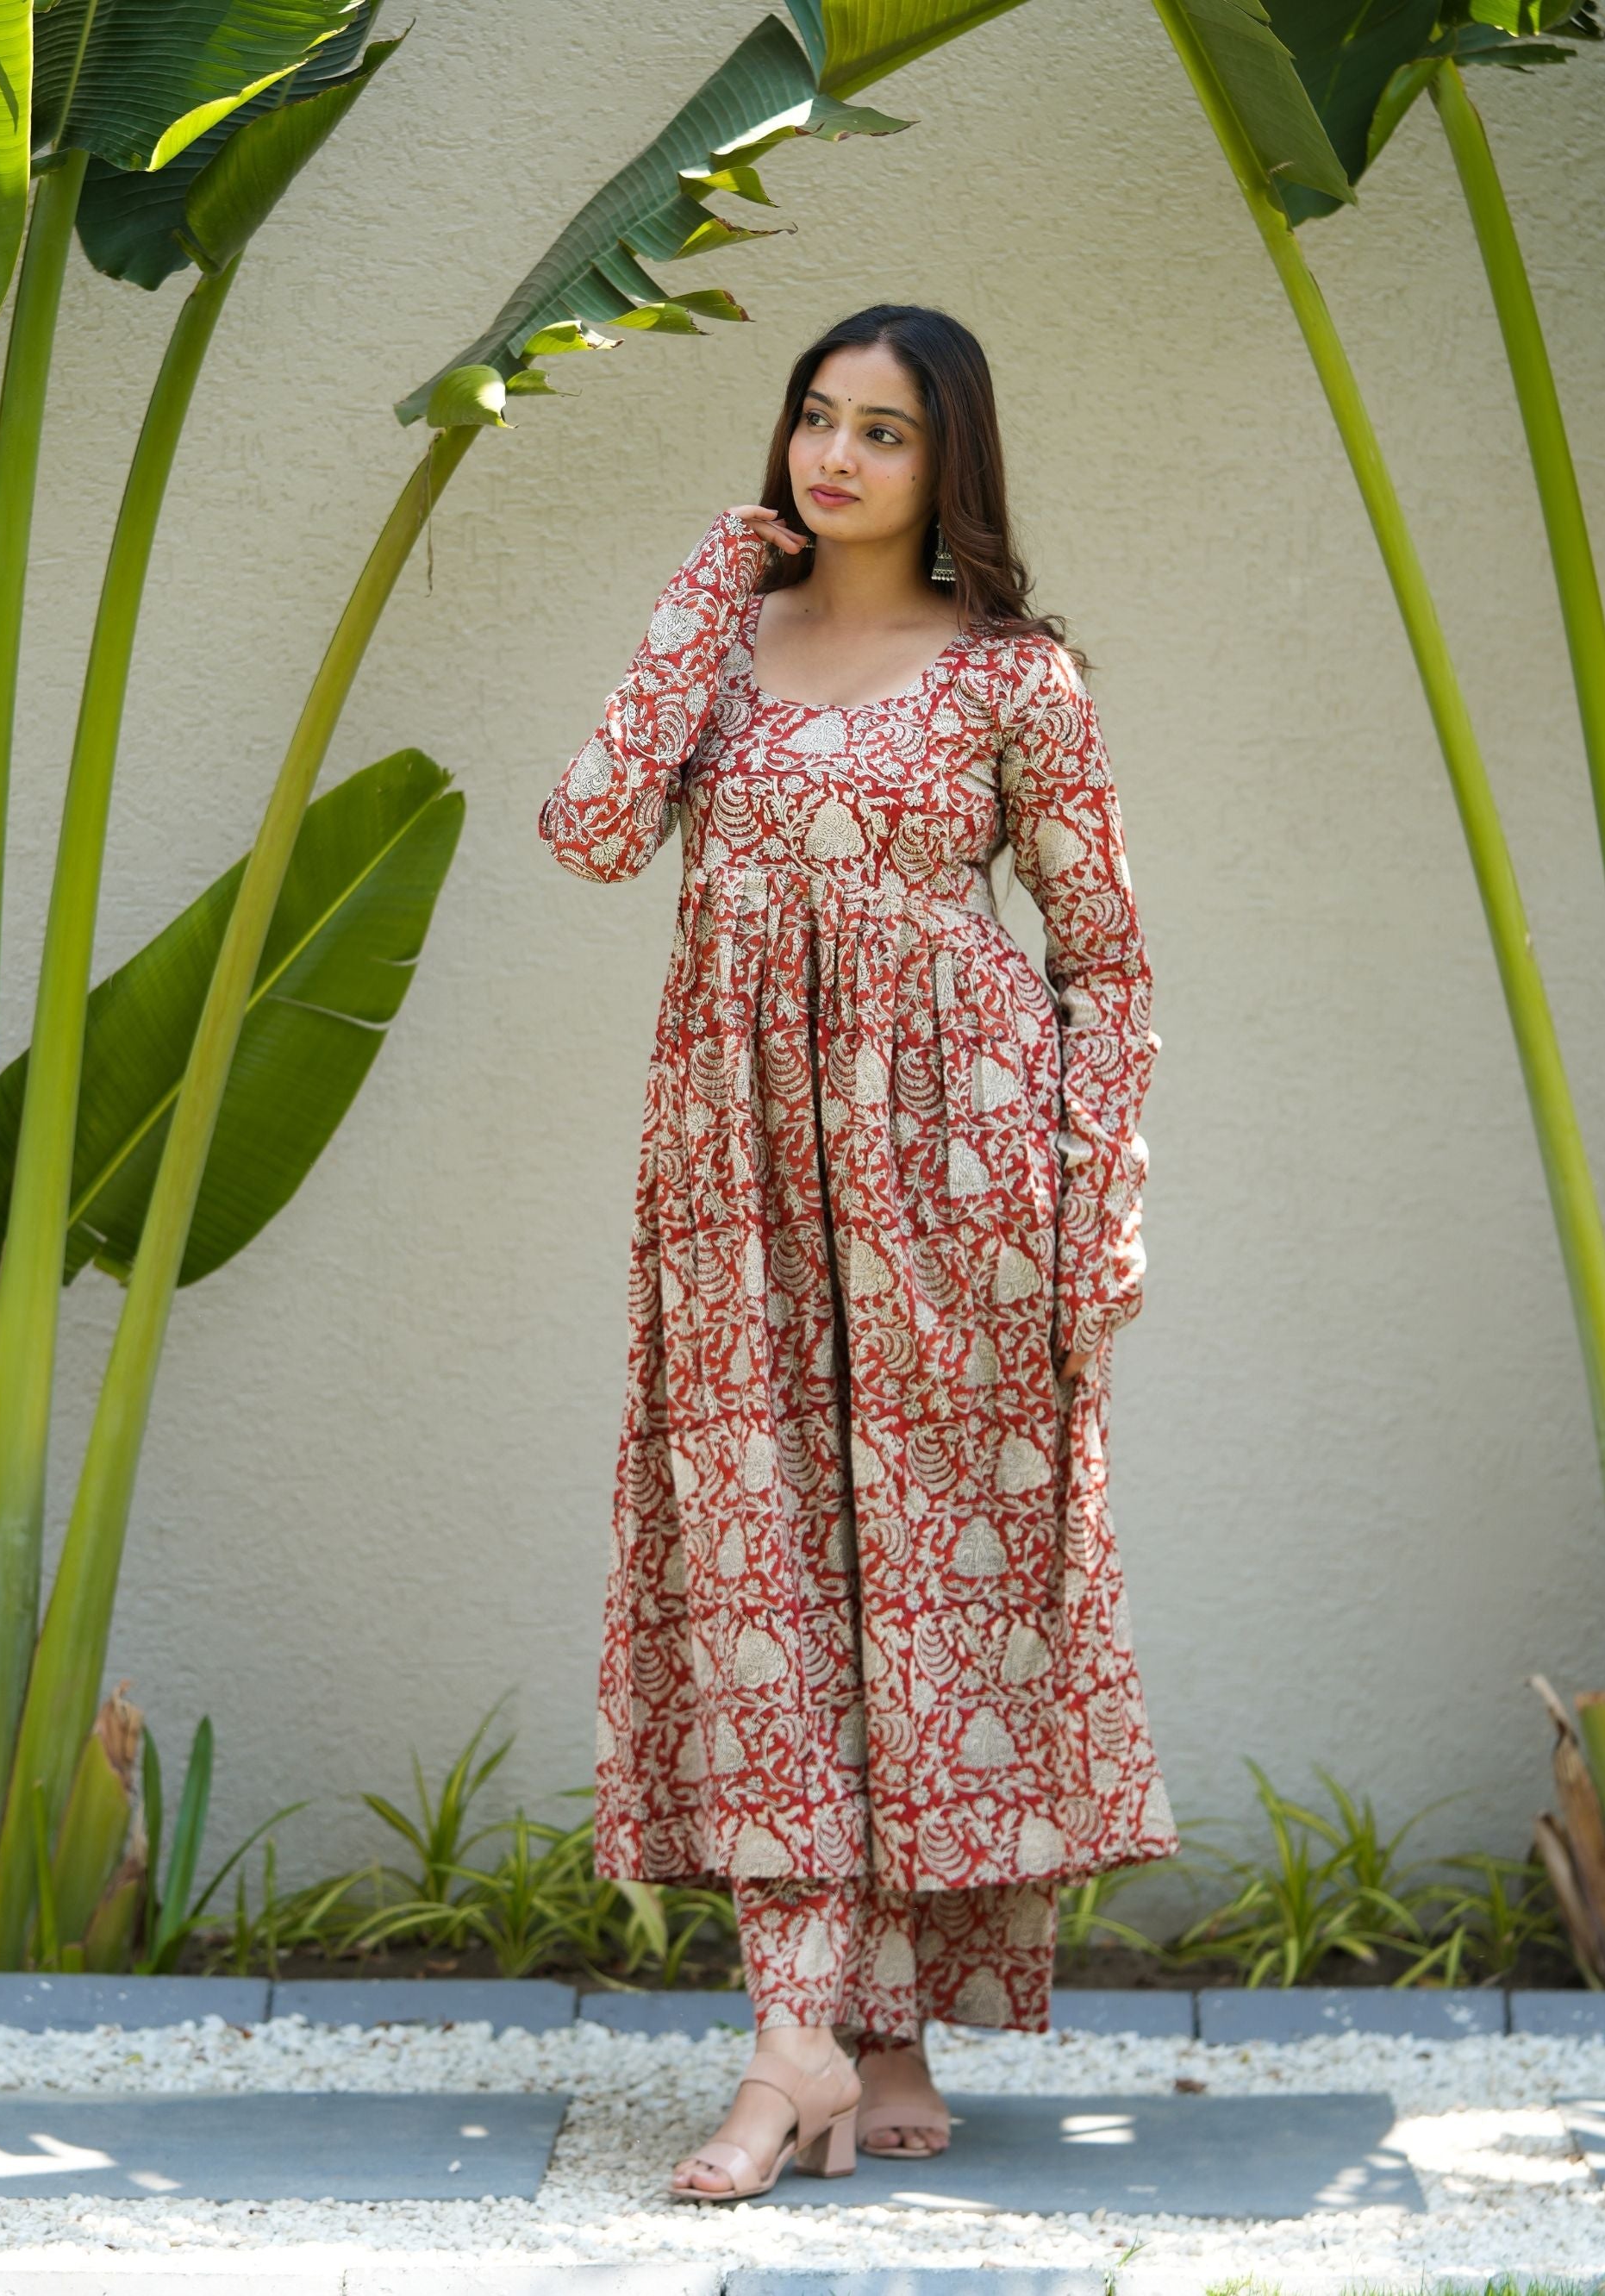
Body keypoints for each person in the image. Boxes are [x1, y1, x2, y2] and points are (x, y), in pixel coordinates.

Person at [539, 302, 1177, 2204]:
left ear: (945, 462)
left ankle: (853, 2032)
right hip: (733, 1187)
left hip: (952, 1187)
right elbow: (585, 835)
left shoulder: (1015, 685)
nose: (834, 457)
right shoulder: (721, 654)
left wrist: (1087, 1199)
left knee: (920, 1590)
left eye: (882, 433)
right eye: (814, 418)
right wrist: (686, 601)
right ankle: (812, 2035)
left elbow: (1105, 960)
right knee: (767, 1585)